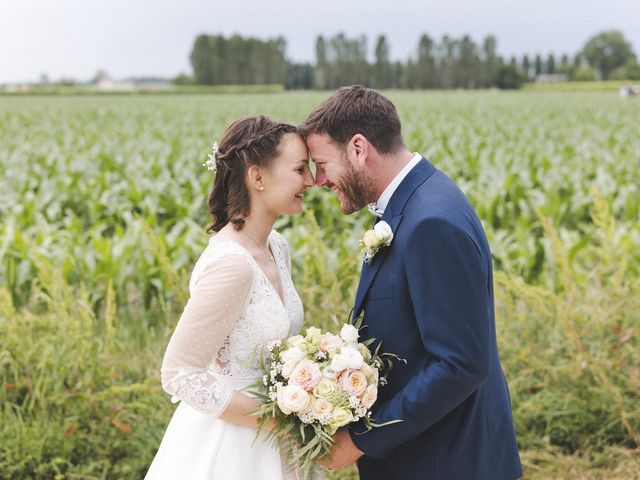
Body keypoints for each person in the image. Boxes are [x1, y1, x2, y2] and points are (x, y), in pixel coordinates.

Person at [300, 86, 522, 480]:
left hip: (446, 462)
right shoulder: (417, 201)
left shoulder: (430, 222)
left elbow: (461, 364)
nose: (318, 181)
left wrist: (360, 440)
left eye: (321, 163)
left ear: (358, 147)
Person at [146, 115, 315, 479]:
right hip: (233, 448)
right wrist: (276, 419)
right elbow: (179, 373)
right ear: (257, 177)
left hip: (278, 442)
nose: (311, 181)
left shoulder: (277, 247)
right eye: (300, 169)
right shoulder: (233, 265)